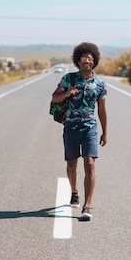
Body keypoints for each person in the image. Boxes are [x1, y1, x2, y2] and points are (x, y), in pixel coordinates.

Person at [51, 42, 107, 221]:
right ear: (78, 60)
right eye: (84, 58)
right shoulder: (69, 79)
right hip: (70, 127)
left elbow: (102, 110)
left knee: (90, 163)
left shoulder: (100, 84)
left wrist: (105, 131)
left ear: (94, 61)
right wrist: (67, 93)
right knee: (71, 165)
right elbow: (55, 97)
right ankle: (74, 191)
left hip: (90, 127)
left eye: (90, 58)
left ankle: (87, 206)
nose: (87, 61)